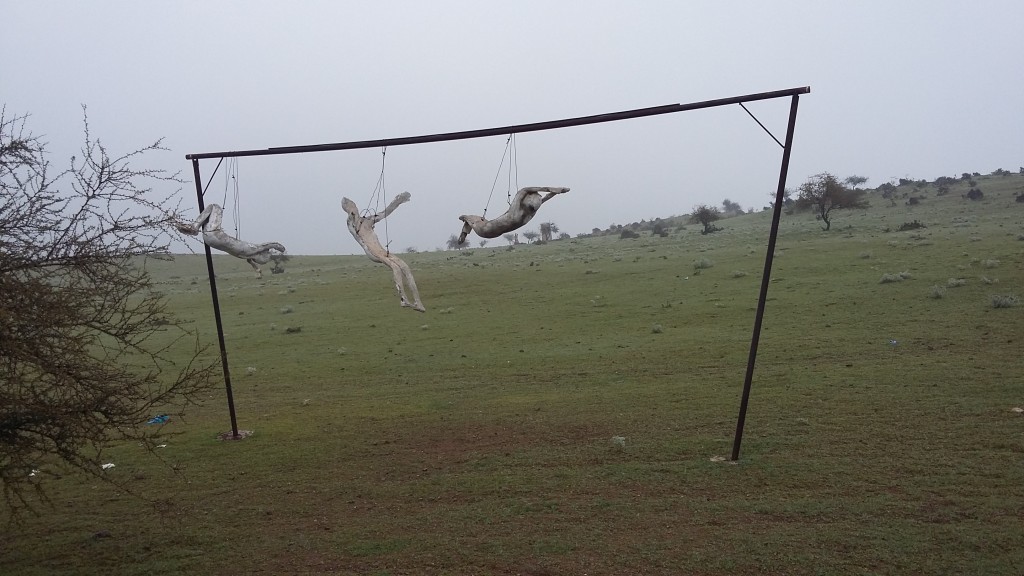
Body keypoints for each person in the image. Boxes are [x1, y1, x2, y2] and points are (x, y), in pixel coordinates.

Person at [342, 192, 425, 312]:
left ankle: (418, 302)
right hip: (372, 251)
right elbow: (352, 222)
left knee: (405, 267)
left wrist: (398, 201)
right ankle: (404, 299)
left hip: (382, 250)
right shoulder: (351, 223)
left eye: (353, 205)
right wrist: (351, 213)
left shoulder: (367, 220)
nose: (354, 207)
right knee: (395, 268)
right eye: (350, 206)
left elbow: (385, 213)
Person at [175, 203, 286, 278]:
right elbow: (251, 262)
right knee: (209, 220)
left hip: (215, 235)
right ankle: (194, 227)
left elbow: (268, 245)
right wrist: (258, 271)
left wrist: (279, 248)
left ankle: (194, 227)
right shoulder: (245, 255)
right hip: (209, 240)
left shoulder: (252, 249)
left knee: (216, 207)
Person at [458, 186, 569, 244]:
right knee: (476, 219)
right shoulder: (528, 214)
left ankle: (465, 223)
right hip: (492, 231)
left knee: (473, 218)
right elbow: (544, 199)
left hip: (486, 230)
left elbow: (523, 190)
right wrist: (555, 191)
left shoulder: (516, 212)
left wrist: (552, 189)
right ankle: (464, 231)